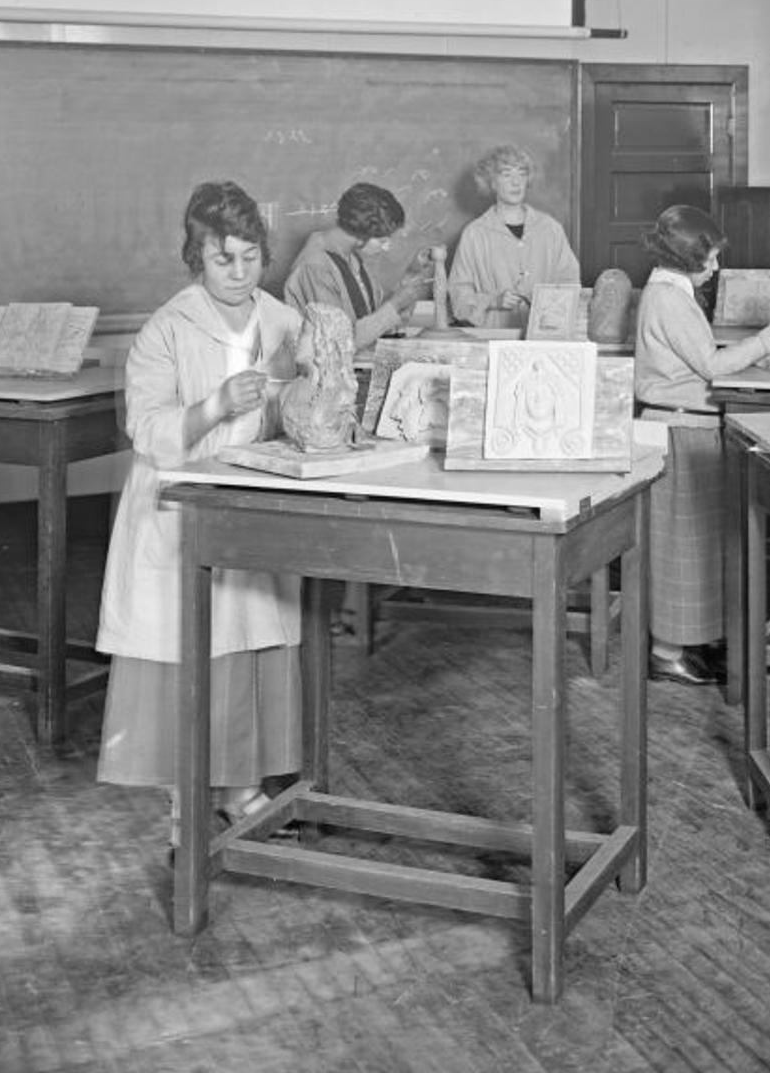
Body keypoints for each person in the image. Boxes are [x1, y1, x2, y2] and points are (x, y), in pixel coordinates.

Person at [94, 181, 305, 840]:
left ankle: (243, 790)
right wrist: (215, 406)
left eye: (250, 257)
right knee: (190, 650)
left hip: (255, 502)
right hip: (180, 508)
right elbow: (147, 428)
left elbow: (301, 407)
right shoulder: (168, 327)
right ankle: (185, 795)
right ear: (195, 258)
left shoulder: (282, 321)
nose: (239, 273)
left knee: (250, 646)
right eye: (223, 260)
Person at [634, 204, 770, 686]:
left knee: (698, 549)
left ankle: (686, 645)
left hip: (690, 426)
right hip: (680, 430)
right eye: (711, 258)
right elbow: (712, 367)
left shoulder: (671, 292)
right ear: (685, 257)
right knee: (681, 548)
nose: (716, 267)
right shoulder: (668, 299)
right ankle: (666, 653)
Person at [284, 181, 433, 353]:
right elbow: (337, 344)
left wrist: (410, 276)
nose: (386, 247)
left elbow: (374, 321)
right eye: (383, 240)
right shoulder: (315, 267)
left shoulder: (351, 258)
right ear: (362, 234)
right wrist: (395, 304)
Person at [446, 144, 580, 329]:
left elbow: (569, 283)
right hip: (492, 338)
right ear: (491, 182)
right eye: (506, 174)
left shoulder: (550, 229)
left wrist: (545, 305)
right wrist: (493, 301)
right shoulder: (475, 234)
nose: (516, 182)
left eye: (522, 173)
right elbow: (458, 295)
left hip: (542, 338)